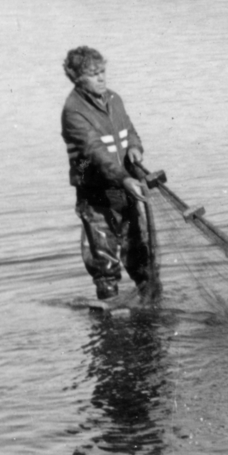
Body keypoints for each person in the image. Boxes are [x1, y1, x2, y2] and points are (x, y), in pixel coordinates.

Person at [60, 46, 153, 302]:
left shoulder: (114, 99)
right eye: (94, 74)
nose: (102, 78)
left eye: (103, 72)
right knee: (105, 266)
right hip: (97, 198)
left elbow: (129, 128)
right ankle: (109, 316)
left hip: (126, 192)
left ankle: (149, 311)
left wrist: (134, 147)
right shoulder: (74, 111)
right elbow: (96, 153)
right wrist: (125, 178)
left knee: (142, 259)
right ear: (77, 77)